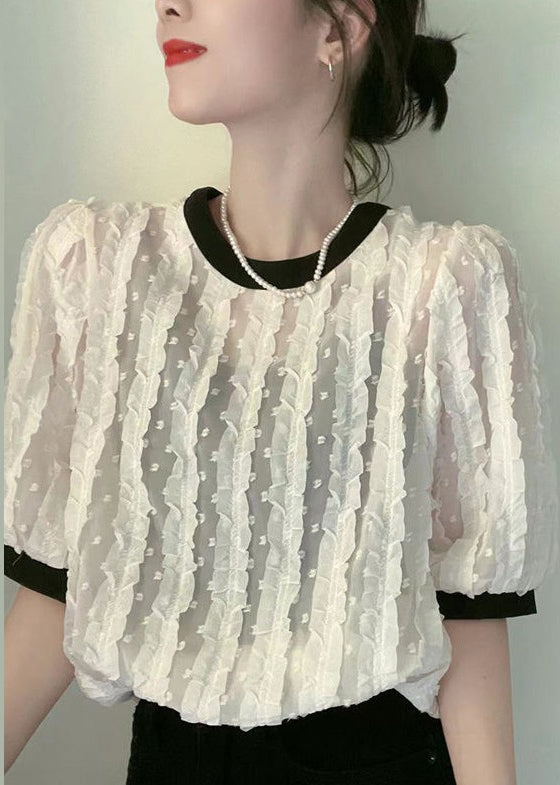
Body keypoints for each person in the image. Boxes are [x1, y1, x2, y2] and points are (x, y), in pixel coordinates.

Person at [4, 1, 558, 783]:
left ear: (340, 26)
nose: (169, 5)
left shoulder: (443, 289)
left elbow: (467, 607)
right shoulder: (103, 271)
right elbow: (67, 577)